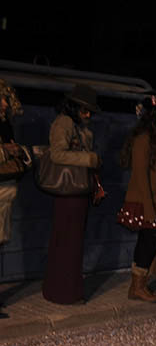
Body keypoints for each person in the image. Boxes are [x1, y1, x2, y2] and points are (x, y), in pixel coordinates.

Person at [42, 85, 102, 305]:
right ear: (74, 107)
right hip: (69, 191)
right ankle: (64, 292)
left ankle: (64, 290)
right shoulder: (64, 123)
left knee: (71, 242)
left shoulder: (76, 124)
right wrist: (89, 159)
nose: (88, 115)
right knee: (67, 242)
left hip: (77, 191)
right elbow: (57, 154)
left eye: (89, 111)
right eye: (84, 110)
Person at [116, 96, 156, 302]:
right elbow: (141, 176)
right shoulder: (143, 139)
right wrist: (149, 209)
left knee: (151, 242)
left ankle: (139, 285)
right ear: (153, 119)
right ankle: (137, 286)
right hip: (146, 201)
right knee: (146, 242)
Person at [1, 80, 29, 318]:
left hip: (6, 190)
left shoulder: (6, 124)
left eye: (6, 99)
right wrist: (6, 151)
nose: (4, 103)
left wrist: (18, 151)